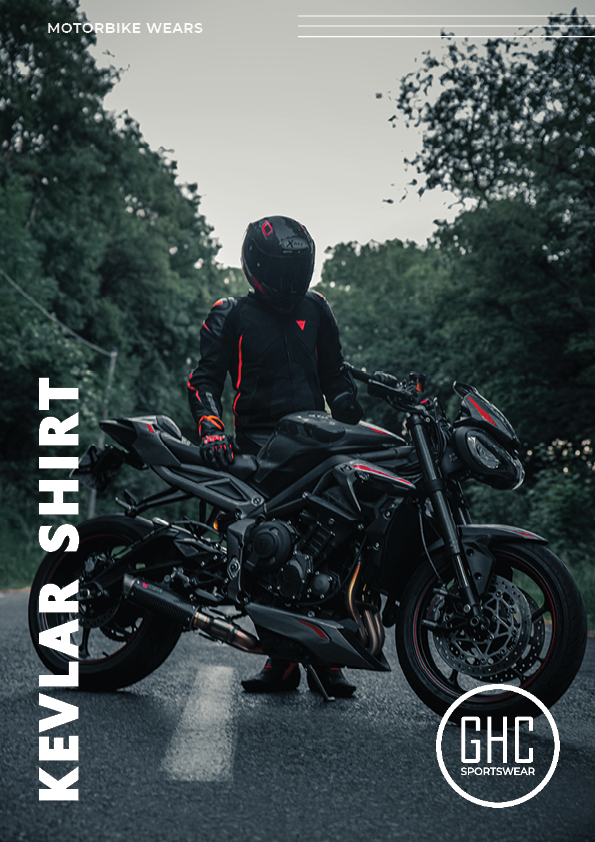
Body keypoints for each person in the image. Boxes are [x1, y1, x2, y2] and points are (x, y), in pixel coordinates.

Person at [187, 215, 363, 697]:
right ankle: (282, 661)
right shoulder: (231, 314)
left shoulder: (317, 309)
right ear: (257, 266)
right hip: (258, 448)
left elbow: (335, 375)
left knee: (336, 543)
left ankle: (328, 659)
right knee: (271, 550)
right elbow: (204, 380)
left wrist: (350, 409)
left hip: (318, 443)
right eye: (281, 273)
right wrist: (211, 429)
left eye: (296, 273)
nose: (289, 284)